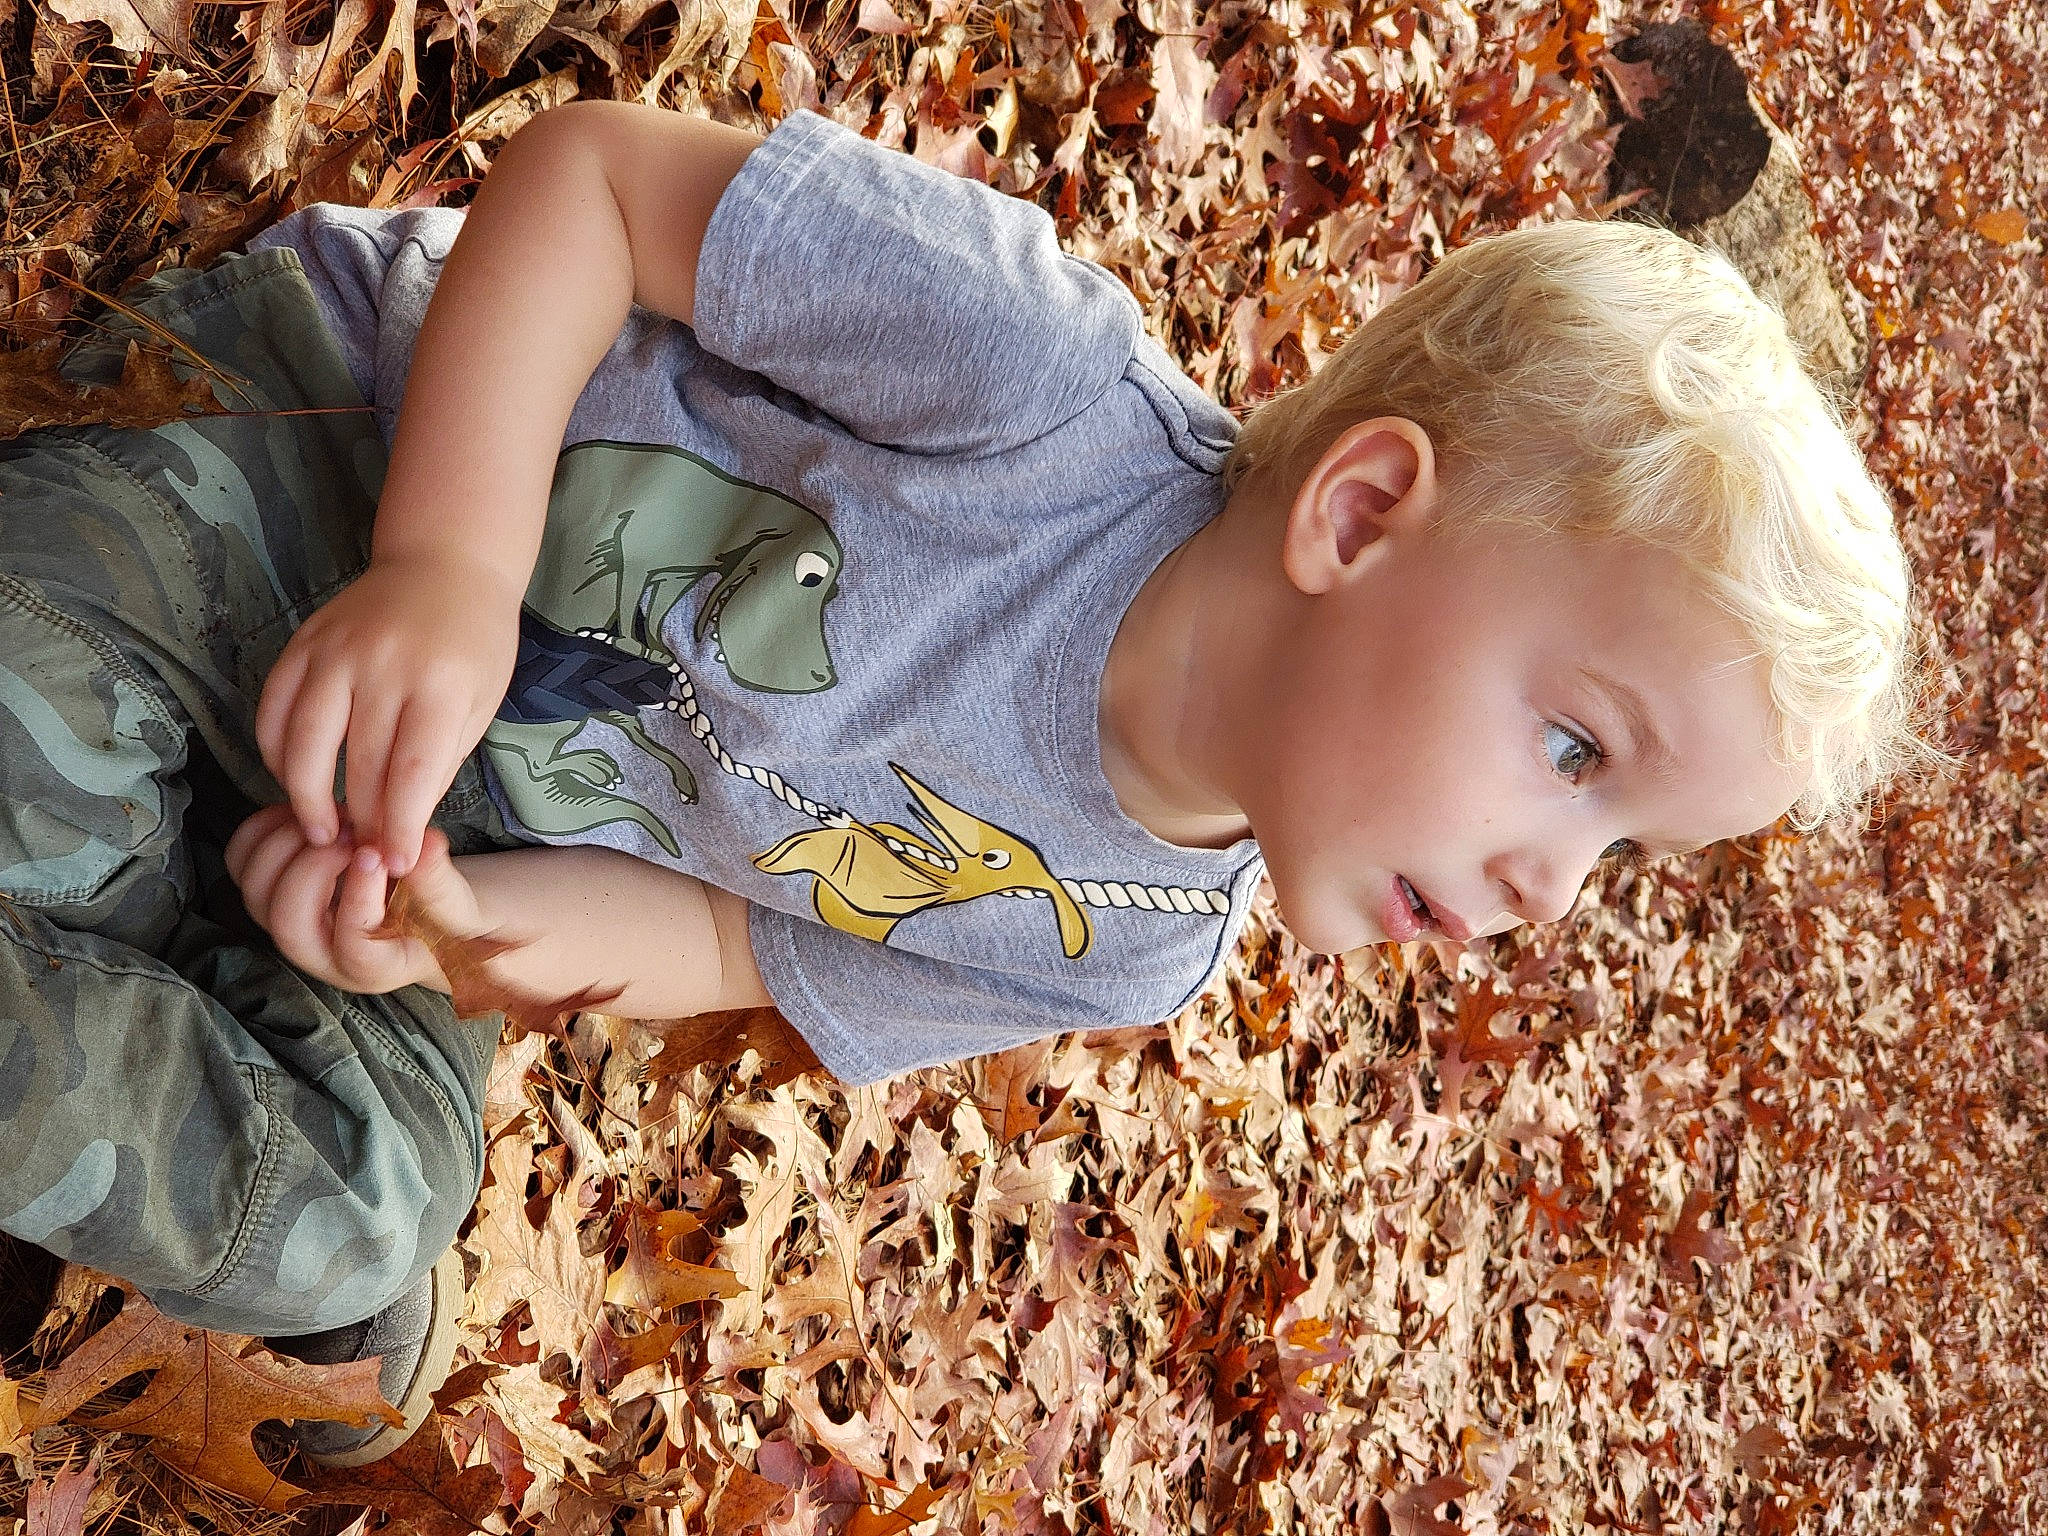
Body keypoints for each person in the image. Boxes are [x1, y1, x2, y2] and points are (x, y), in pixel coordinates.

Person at [0, 100, 1929, 1465]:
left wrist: (451, 936)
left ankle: (123, 960)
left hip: (441, 811)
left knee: (357, 1211)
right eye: (1579, 753)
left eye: (1624, 843)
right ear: (1362, 516)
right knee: (39, 711)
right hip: (320, 470)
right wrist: (444, 572)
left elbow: (738, 941)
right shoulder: (1032, 386)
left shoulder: (1125, 943)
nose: (1555, 888)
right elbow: (592, 184)